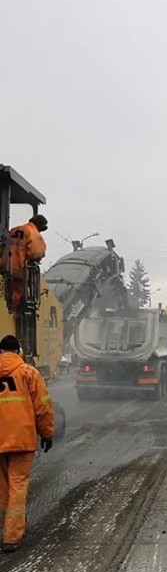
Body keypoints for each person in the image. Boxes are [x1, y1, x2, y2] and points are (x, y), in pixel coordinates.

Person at [0, 334, 54, 552]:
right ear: (18, 351)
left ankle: (6, 528)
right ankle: (12, 536)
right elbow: (42, 407)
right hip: (21, 439)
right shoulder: (28, 372)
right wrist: (47, 434)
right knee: (18, 485)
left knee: (3, 488)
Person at [8, 214, 48, 312]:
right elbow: (36, 254)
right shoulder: (34, 234)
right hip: (20, 271)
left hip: (4, 268)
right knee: (17, 296)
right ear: (41, 226)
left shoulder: (13, 230)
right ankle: (12, 314)